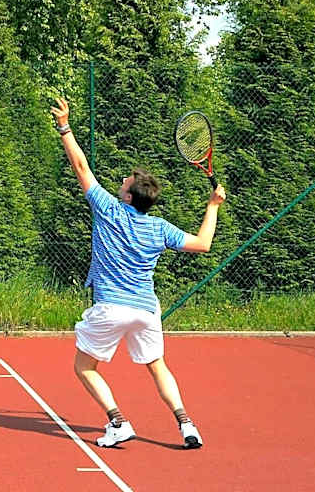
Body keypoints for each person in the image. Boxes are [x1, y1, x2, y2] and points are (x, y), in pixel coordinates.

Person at [50, 97, 226, 450]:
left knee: (84, 367)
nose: (121, 181)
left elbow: (82, 168)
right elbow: (204, 243)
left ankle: (118, 422)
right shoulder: (160, 228)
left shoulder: (110, 211)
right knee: (158, 367)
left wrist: (65, 127)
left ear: (129, 197)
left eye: (125, 181)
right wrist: (213, 206)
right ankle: (187, 425)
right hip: (147, 311)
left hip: (111, 308)